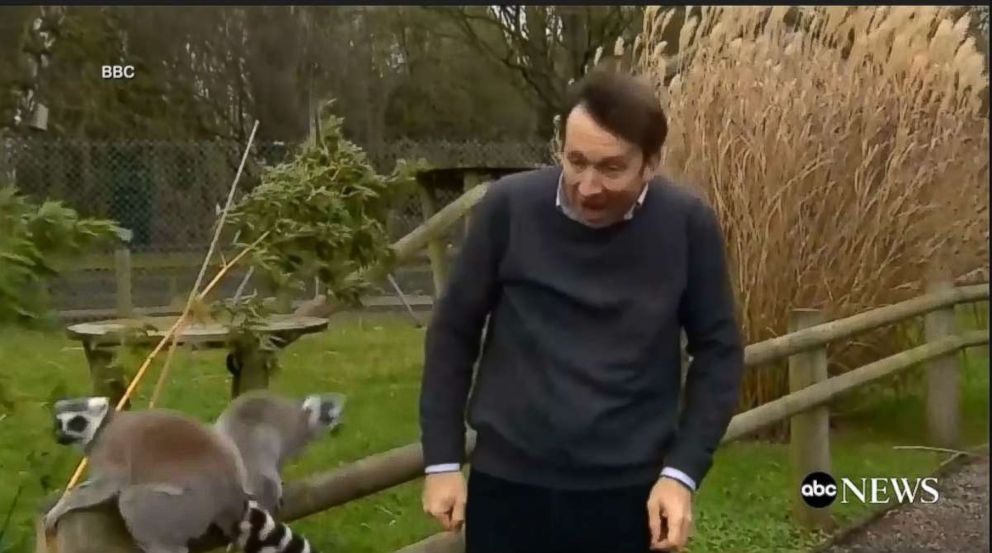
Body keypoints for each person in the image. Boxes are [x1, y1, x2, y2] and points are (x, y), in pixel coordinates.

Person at [418, 67, 745, 553]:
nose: (588, 186)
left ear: (650, 163)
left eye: (611, 168)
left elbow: (719, 353)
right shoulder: (508, 209)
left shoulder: (687, 226)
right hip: (508, 488)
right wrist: (442, 461)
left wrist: (681, 475)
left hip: (628, 495)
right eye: (576, 162)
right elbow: (453, 331)